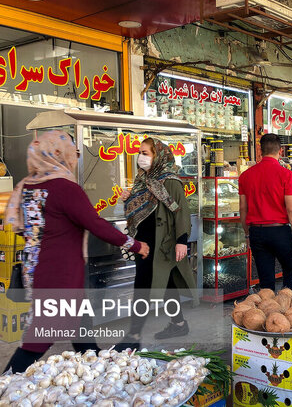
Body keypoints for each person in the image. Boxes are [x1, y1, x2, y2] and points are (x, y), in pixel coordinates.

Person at [3, 131, 148, 372]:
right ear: (59, 154)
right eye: (73, 153)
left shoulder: (28, 185)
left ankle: (94, 363)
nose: (75, 158)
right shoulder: (64, 187)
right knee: (39, 336)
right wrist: (135, 244)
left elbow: (23, 227)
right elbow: (96, 224)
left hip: (37, 267)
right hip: (59, 273)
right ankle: (6, 382)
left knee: (80, 324)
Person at [118, 138, 196, 349]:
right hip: (143, 241)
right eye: (140, 153)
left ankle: (133, 335)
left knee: (142, 285)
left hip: (162, 243)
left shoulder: (170, 181)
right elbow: (140, 209)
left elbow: (181, 211)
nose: (141, 157)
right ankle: (178, 323)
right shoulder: (143, 179)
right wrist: (128, 198)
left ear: (158, 156)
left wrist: (182, 241)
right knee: (168, 284)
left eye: (146, 153)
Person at [239, 134, 292, 290]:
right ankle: (289, 309)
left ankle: (269, 312)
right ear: (280, 151)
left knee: (265, 280)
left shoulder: (245, 176)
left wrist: (247, 234)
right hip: (280, 232)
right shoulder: (287, 175)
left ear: (259, 151)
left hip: (257, 233)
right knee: (291, 273)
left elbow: (242, 209)